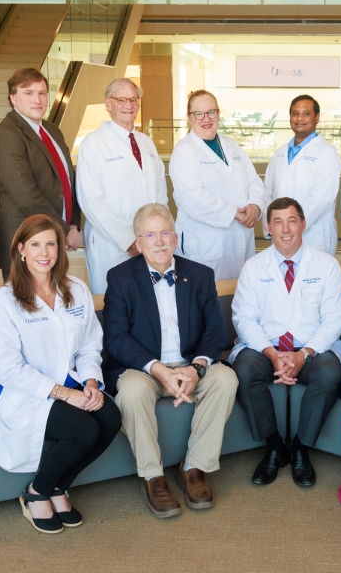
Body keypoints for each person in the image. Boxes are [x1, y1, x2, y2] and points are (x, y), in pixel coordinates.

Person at [0, 214, 121, 534]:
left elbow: (89, 345)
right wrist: (66, 394)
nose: (44, 252)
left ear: (60, 249)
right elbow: (9, 368)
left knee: (111, 417)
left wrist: (89, 382)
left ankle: (58, 487)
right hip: (26, 391)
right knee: (83, 429)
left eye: (51, 243)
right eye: (35, 244)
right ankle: (37, 492)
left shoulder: (76, 289)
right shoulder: (4, 301)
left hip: (72, 379)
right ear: (20, 250)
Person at [102, 203, 238, 519]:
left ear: (175, 238)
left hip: (190, 364)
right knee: (133, 392)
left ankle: (194, 468)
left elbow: (215, 329)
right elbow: (117, 339)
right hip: (144, 369)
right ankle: (153, 476)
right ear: (138, 243)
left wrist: (197, 367)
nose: (159, 241)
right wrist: (160, 370)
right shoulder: (120, 278)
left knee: (226, 380)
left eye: (165, 233)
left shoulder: (201, 275)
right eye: (150, 235)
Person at [231, 197, 341, 487]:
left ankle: (300, 447)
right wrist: (272, 354)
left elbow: (335, 319)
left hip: (312, 349)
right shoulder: (253, 267)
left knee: (330, 372)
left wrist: (304, 354)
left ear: (303, 224)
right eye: (278, 222)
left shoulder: (327, 265)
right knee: (244, 370)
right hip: (265, 348)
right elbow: (244, 319)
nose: (285, 229)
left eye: (292, 221)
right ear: (268, 227)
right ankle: (273, 445)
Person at [76, 77, 167, 294]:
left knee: (147, 304)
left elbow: (160, 194)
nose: (129, 105)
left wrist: (158, 234)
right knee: (115, 305)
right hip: (112, 244)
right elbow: (91, 202)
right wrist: (128, 241)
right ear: (108, 104)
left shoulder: (146, 142)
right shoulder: (93, 144)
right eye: (122, 100)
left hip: (149, 242)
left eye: (134, 100)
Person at [0, 68, 81, 281]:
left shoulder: (52, 130)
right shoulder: (6, 134)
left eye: (42, 93)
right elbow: (26, 195)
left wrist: (74, 223)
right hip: (25, 243)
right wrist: (65, 230)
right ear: (13, 98)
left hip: (52, 240)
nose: (37, 100)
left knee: (51, 305)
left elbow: (69, 180)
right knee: (26, 308)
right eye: (28, 93)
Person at [169, 89, 266, 281]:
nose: (206, 119)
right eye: (199, 114)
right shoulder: (184, 152)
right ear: (189, 117)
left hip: (240, 236)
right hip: (205, 244)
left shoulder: (231, 145)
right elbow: (194, 199)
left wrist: (255, 206)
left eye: (211, 112)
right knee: (205, 300)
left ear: (218, 114)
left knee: (241, 294)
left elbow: (253, 180)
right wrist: (235, 213)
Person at [263, 94, 341, 255]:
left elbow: (321, 198)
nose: (300, 118)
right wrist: (274, 226)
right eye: (295, 113)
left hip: (314, 236)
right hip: (281, 236)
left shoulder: (327, 153)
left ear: (317, 117)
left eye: (306, 113)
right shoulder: (280, 152)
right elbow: (267, 192)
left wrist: (291, 227)